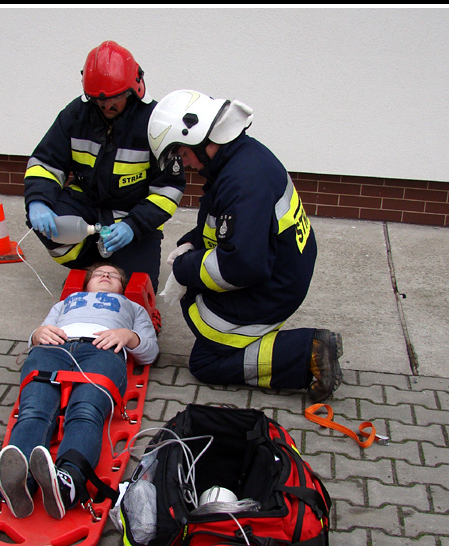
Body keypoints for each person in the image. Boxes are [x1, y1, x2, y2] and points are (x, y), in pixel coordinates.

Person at [147, 89, 343, 401]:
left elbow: (240, 265)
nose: (186, 164)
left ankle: (310, 352)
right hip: (281, 269)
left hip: (274, 285)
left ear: (197, 138)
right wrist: (191, 243)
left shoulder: (242, 179)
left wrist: (186, 269)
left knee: (205, 362)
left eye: (183, 154)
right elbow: (223, 226)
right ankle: (301, 350)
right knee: (207, 349)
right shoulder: (237, 159)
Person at [0, 263, 159, 520]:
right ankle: (20, 480)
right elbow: (39, 334)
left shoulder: (133, 307)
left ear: (123, 287)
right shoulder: (67, 302)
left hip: (102, 351)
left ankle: (68, 481)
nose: (105, 275)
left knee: (85, 411)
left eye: (113, 275)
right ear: (86, 283)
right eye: (98, 273)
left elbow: (150, 351)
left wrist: (128, 336)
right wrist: (36, 334)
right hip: (53, 348)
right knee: (34, 411)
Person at [24, 41, 186, 294]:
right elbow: (46, 162)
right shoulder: (76, 114)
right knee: (49, 225)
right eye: (100, 101)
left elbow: (168, 190)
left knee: (135, 288)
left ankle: (114, 259)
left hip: (132, 212)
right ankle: (94, 263)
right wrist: (38, 202)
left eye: (115, 99)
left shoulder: (156, 124)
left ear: (133, 90)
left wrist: (133, 226)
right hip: (86, 200)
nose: (106, 107)